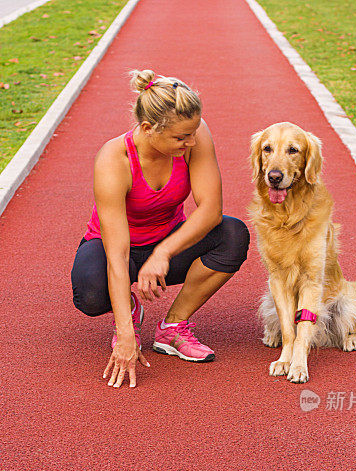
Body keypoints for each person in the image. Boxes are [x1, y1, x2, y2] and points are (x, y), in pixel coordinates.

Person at [71, 69, 250, 388]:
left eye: (193, 133)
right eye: (181, 138)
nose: (191, 142)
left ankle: (173, 327)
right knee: (90, 294)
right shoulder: (114, 159)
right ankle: (130, 309)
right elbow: (117, 254)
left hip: (166, 242)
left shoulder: (195, 133)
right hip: (116, 248)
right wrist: (125, 332)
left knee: (233, 234)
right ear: (147, 128)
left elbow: (211, 210)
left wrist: (164, 252)